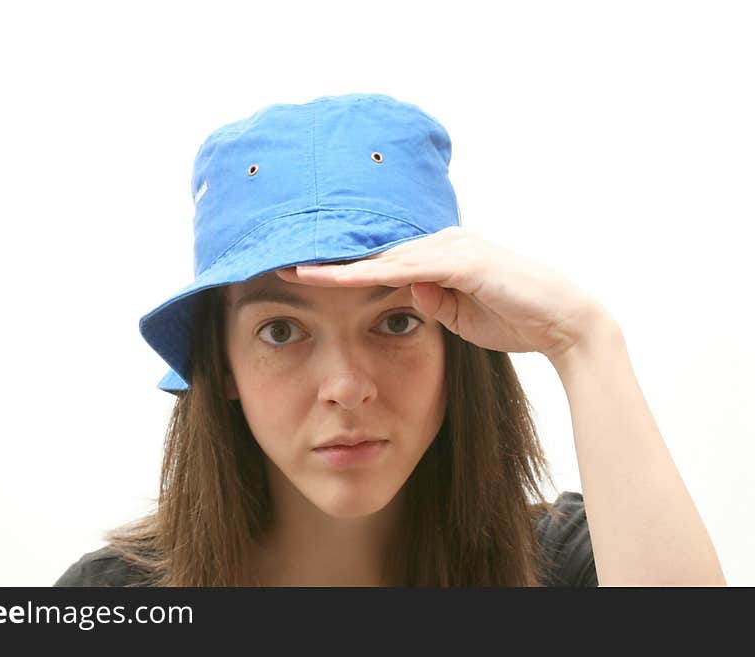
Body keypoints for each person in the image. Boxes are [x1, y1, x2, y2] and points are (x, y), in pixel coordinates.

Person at [54, 93, 725, 587]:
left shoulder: (570, 563)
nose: (347, 388)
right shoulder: (114, 597)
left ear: (453, 341)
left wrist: (582, 340)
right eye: (281, 330)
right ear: (221, 362)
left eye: (396, 321)